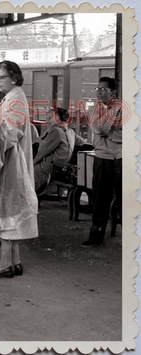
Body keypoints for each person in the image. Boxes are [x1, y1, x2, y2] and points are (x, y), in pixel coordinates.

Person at [0, 60, 39, 278]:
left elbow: (10, 133)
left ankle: (4, 264)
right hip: (10, 161)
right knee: (11, 210)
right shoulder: (13, 97)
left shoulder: (16, 100)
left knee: (6, 212)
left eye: (1, 77)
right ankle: (16, 261)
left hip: (10, 163)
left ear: (14, 77)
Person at [81, 77, 122, 248]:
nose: (99, 92)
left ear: (113, 91)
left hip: (121, 158)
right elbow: (99, 129)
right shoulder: (95, 108)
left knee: (125, 198)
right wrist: (110, 124)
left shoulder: (122, 108)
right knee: (99, 199)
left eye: (103, 89)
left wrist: (106, 128)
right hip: (102, 158)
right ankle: (96, 236)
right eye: (98, 88)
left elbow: (122, 134)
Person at [33, 107, 84, 195]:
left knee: (28, 171)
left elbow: (42, 152)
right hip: (61, 167)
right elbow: (81, 142)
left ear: (57, 117)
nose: (48, 120)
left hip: (50, 167)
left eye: (50, 117)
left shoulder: (56, 131)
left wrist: (31, 164)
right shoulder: (70, 131)